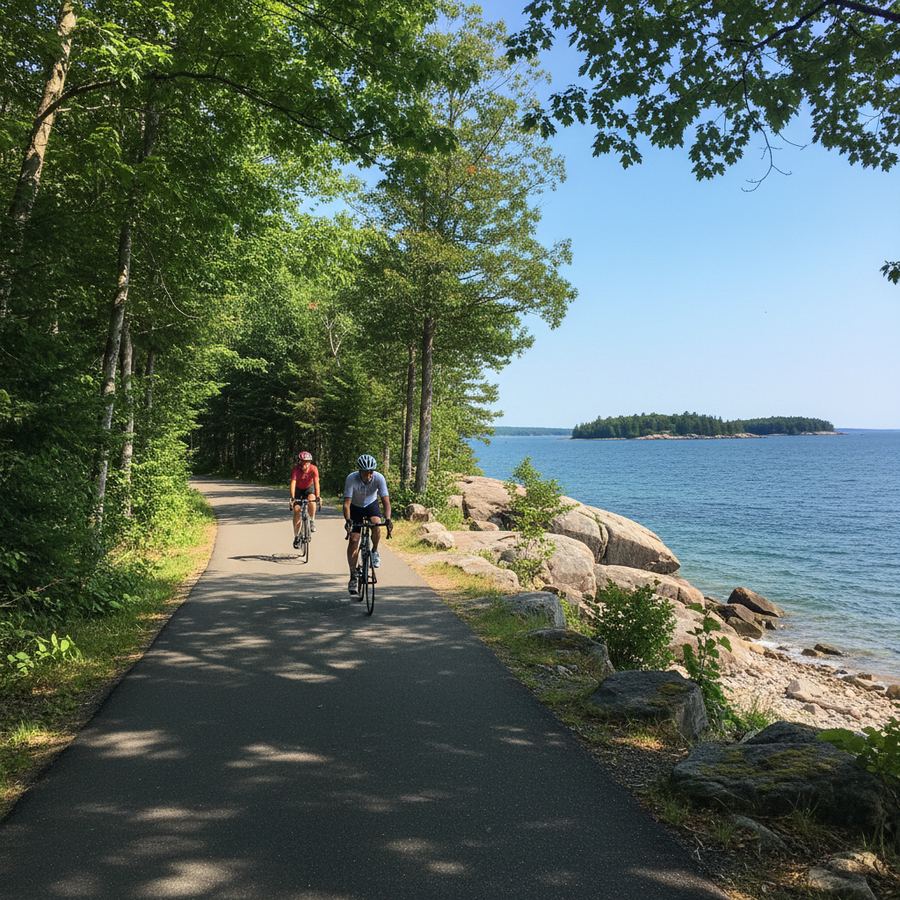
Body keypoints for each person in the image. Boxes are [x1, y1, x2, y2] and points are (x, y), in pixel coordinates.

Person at [343, 453, 391, 595]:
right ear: (360, 471)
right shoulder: (351, 479)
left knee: (376, 524)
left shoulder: (379, 478)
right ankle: (353, 576)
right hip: (355, 507)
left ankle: (374, 550)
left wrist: (388, 519)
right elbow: (346, 504)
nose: (369, 474)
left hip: (371, 504)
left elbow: (386, 501)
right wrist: (348, 520)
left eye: (371, 471)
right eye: (366, 471)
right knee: (354, 540)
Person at [290, 451, 320, 548]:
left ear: (310, 462)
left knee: (312, 499)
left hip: (308, 488)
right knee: (296, 510)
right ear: (299, 461)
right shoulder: (296, 470)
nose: (305, 464)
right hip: (298, 490)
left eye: (307, 461)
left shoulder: (313, 469)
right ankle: (296, 536)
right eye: (302, 461)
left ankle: (312, 521)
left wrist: (318, 496)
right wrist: (292, 498)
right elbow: (293, 483)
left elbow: (316, 483)